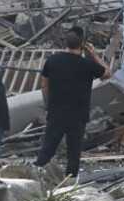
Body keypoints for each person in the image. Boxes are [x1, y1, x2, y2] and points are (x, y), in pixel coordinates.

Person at [34, 26, 112, 177]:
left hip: (56, 113)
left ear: (66, 42)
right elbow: (107, 73)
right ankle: (69, 184)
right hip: (77, 116)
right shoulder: (87, 65)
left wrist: (48, 105)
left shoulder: (53, 60)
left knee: (47, 150)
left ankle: (35, 178)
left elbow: (44, 85)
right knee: (73, 154)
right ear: (82, 44)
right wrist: (94, 55)